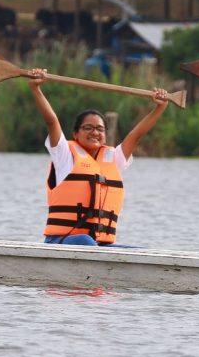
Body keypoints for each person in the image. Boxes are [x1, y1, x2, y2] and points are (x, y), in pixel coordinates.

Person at [28, 67, 169, 246]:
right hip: (62, 241)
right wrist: (36, 89)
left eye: (100, 129)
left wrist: (160, 107)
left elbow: (136, 135)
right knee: (86, 241)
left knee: (140, 252)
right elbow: (51, 120)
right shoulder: (64, 155)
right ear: (75, 133)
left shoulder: (114, 158)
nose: (95, 132)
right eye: (88, 128)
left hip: (100, 244)